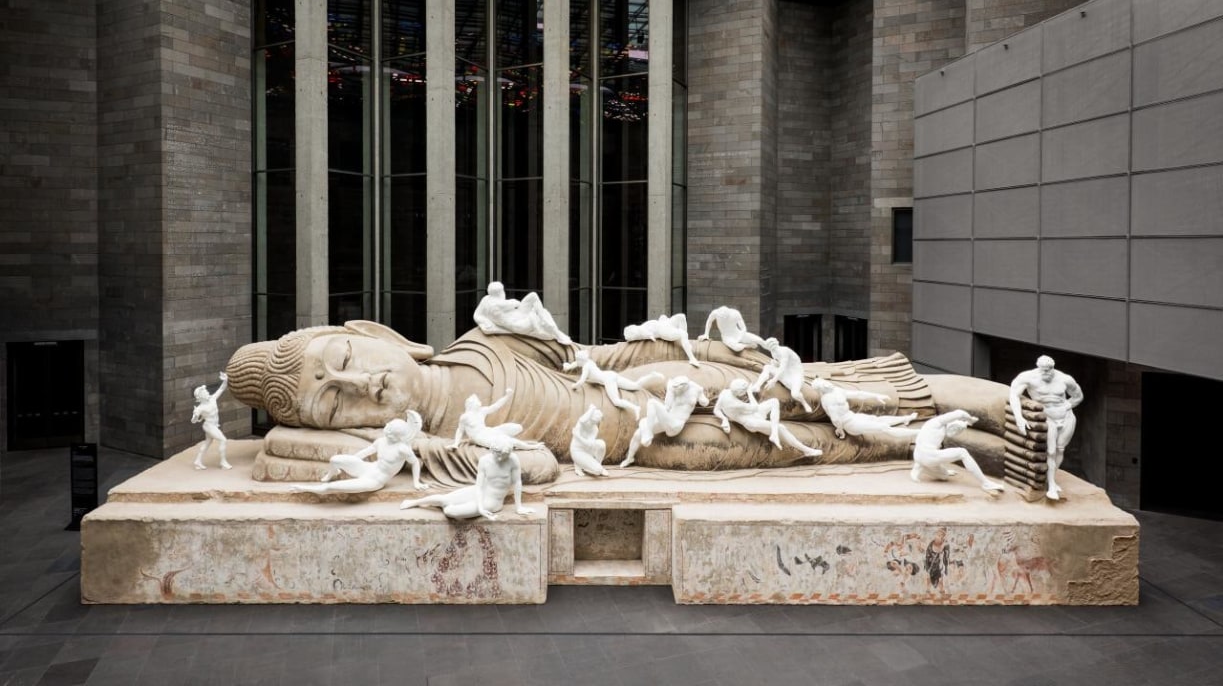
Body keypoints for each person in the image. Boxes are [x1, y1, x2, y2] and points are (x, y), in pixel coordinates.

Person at [225, 321, 987, 470]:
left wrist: (695, 350)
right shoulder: (447, 448)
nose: (358, 384)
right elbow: (538, 470)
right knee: (810, 444)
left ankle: (976, 408)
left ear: (370, 331)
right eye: (335, 405)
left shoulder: (486, 339)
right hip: (647, 443)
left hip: (650, 380)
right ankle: (964, 443)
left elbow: (587, 356)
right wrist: (328, 440)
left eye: (343, 358)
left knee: (820, 389)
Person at [289, 413, 427, 495]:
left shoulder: (402, 449)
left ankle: (303, 489)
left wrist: (416, 482)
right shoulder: (381, 441)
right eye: (387, 430)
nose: (387, 434)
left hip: (375, 480)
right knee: (335, 459)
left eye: (391, 434)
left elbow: (415, 462)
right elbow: (366, 452)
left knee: (332, 487)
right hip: (367, 468)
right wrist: (352, 461)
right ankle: (333, 473)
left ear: (399, 437)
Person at [399, 438, 533, 520]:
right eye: (497, 455)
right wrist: (479, 507)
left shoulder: (512, 459)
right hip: (479, 491)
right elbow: (479, 486)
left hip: (493, 501)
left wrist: (519, 507)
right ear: (492, 450)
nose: (500, 458)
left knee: (450, 511)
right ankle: (414, 502)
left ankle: (459, 507)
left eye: (504, 456)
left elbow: (517, 482)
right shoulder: (485, 460)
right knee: (444, 500)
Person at [1009, 355, 1084, 500]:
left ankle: (1051, 479)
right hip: (1048, 417)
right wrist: (1019, 418)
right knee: (1050, 451)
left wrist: (1066, 406)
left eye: (1049, 369)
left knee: (1060, 449)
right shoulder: (1028, 377)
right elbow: (1014, 395)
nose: (1047, 372)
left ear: (1053, 367)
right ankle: (1052, 487)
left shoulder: (1065, 379)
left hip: (1066, 417)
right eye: (1044, 370)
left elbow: (1078, 396)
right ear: (1039, 368)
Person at [713, 378, 822, 459]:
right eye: (744, 392)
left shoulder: (725, 393)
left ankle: (774, 433)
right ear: (740, 392)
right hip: (751, 422)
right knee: (781, 428)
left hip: (752, 415)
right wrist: (750, 393)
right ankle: (806, 450)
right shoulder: (736, 404)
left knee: (774, 402)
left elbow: (716, 410)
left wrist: (724, 419)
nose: (745, 394)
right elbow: (755, 408)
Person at [620, 375, 709, 468]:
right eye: (675, 387)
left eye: (678, 388)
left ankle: (648, 433)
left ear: (685, 385)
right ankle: (629, 458)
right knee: (638, 433)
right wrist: (670, 391)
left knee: (652, 403)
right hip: (668, 419)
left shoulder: (696, 389)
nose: (676, 390)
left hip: (676, 424)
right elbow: (667, 407)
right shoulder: (672, 388)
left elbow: (705, 402)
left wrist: (703, 400)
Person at [910, 409, 1004, 492]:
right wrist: (970, 419)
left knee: (944, 476)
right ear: (951, 423)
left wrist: (965, 424)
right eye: (955, 429)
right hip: (928, 457)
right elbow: (960, 413)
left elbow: (922, 443)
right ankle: (986, 483)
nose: (954, 433)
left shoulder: (931, 427)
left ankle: (919, 468)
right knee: (962, 452)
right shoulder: (939, 421)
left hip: (919, 456)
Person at [562, 347, 664, 420]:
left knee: (616, 401)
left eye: (578, 359)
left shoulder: (586, 367)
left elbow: (581, 381)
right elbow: (576, 364)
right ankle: (652, 375)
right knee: (635, 385)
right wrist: (568, 367)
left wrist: (574, 386)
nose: (577, 362)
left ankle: (635, 408)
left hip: (608, 380)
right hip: (610, 374)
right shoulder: (589, 362)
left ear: (581, 360)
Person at [810, 377, 919, 440]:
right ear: (821, 390)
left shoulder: (836, 390)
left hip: (852, 417)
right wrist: (840, 429)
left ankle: (906, 419)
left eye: (826, 382)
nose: (828, 384)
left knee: (878, 419)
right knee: (884, 427)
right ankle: (918, 432)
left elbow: (858, 394)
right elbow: (836, 419)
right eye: (824, 385)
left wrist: (876, 396)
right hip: (850, 425)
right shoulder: (828, 399)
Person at [473, 281, 571, 345]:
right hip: (519, 324)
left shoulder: (486, 300)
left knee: (533, 297)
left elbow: (476, 315)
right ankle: (557, 333)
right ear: (500, 292)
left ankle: (554, 331)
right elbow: (516, 303)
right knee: (540, 312)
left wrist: (484, 322)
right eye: (503, 291)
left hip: (517, 316)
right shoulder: (500, 304)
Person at [450, 388, 545, 452]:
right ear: (471, 404)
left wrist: (507, 396)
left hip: (487, 431)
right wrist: (455, 444)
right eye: (477, 401)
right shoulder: (465, 417)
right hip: (480, 437)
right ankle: (532, 447)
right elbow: (460, 430)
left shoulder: (482, 411)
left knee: (517, 427)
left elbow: (496, 406)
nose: (479, 402)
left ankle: (509, 439)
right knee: (509, 441)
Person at [750, 338, 813, 412]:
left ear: (777, 343)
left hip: (796, 374)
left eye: (773, 344)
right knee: (767, 367)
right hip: (786, 372)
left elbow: (782, 368)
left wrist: (773, 380)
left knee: (795, 394)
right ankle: (757, 386)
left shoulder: (784, 351)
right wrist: (775, 364)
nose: (772, 347)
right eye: (769, 346)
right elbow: (780, 365)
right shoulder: (773, 352)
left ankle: (805, 403)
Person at [623, 313, 701, 367]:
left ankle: (685, 342)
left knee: (681, 316)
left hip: (665, 323)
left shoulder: (643, 326)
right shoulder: (642, 331)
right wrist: (649, 335)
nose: (632, 328)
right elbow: (640, 335)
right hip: (663, 331)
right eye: (631, 330)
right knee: (682, 333)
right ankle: (692, 358)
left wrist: (663, 318)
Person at [191, 373, 231, 470]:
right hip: (209, 426)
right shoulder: (200, 408)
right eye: (205, 392)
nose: (207, 393)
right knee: (223, 440)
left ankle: (198, 461)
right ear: (200, 397)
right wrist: (195, 415)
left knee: (207, 443)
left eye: (206, 391)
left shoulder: (212, 399)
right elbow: (193, 421)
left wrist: (225, 380)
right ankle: (223, 462)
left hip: (214, 425)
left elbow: (221, 389)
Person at [697, 306, 767, 353]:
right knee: (736, 348)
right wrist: (706, 334)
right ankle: (747, 345)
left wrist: (740, 337)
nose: (722, 319)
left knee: (759, 340)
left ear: (728, 315)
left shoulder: (735, 313)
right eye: (721, 318)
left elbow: (743, 328)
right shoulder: (715, 313)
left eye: (724, 318)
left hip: (738, 334)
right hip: (727, 337)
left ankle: (770, 348)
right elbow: (709, 321)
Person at [570, 405, 608, 477]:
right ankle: (579, 465)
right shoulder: (581, 423)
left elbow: (589, 444)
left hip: (587, 451)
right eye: (597, 416)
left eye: (599, 418)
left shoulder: (595, 429)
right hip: (577, 451)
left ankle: (596, 465)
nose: (599, 419)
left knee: (601, 444)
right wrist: (591, 409)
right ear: (590, 416)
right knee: (598, 470)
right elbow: (581, 420)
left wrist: (578, 437)